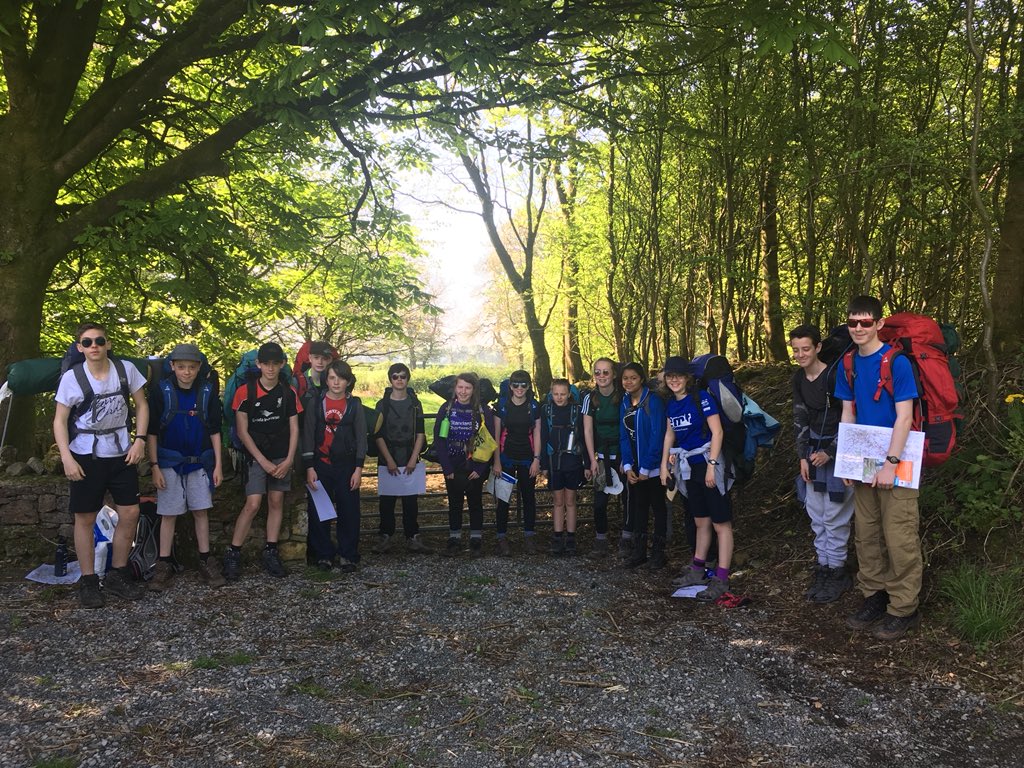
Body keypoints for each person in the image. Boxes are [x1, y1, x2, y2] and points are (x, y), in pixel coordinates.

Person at [835, 295, 923, 640]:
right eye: (852, 322)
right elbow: (848, 413)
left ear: (879, 324)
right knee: (867, 533)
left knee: (898, 534)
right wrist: (845, 459)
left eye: (865, 322)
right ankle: (874, 595)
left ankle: (904, 608)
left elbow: (904, 417)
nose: (858, 328)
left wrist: (890, 463)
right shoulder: (848, 363)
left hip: (897, 457)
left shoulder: (896, 362)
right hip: (862, 458)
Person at [53, 323, 150, 608]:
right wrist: (66, 457)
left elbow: (142, 405)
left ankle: (117, 574)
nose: (94, 345)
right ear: (80, 347)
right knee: (85, 517)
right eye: (87, 342)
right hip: (84, 455)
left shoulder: (125, 370)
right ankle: (88, 580)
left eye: (99, 340)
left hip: (121, 452)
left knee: (130, 513)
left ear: (107, 344)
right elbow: (59, 420)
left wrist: (140, 440)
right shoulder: (72, 378)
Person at [146, 343, 226, 590]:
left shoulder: (207, 391)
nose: (186, 372)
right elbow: (151, 432)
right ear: (172, 366)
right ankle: (163, 563)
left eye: (191, 367)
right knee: (168, 513)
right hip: (169, 461)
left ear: (199, 367)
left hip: (200, 461)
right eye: (181, 367)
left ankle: (205, 560)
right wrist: (154, 466)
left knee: (201, 510)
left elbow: (214, 429)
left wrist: (218, 465)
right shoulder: (161, 391)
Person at [222, 342, 302, 581]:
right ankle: (234, 552)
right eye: (266, 363)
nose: (270, 368)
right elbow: (242, 431)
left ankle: (271, 550)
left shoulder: (289, 392)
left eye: (275, 363)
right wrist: (262, 461)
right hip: (255, 454)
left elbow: (294, 428)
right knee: (254, 503)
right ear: (258, 364)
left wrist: (288, 459)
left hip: (281, 453)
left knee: (276, 500)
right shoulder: (245, 391)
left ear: (282, 364)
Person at [790, 325, 854, 603]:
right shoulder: (798, 379)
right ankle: (824, 567)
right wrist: (803, 455)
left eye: (806, 349)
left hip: (838, 451)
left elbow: (851, 417)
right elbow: (800, 417)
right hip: (813, 453)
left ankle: (838, 571)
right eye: (796, 350)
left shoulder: (835, 376)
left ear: (817, 347)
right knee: (817, 514)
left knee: (836, 515)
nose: (801, 354)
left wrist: (831, 451)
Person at [660, 356, 734, 598]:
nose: (674, 380)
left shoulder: (701, 398)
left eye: (678, 376)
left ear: (687, 378)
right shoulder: (671, 403)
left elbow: (717, 432)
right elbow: (670, 436)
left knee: (720, 522)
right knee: (700, 520)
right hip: (689, 466)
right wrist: (664, 465)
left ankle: (722, 577)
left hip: (707, 463)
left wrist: (712, 465)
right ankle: (698, 569)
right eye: (670, 376)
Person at [301, 360, 366, 572]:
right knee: (321, 510)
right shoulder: (316, 403)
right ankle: (324, 554)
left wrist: (358, 468)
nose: (336, 382)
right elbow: (308, 434)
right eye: (331, 378)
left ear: (348, 381)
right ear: (326, 380)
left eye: (340, 378)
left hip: (347, 466)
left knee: (349, 510)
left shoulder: (354, 405)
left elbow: (361, 437)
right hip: (321, 464)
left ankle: (348, 554)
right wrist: (309, 466)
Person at [371, 362, 432, 555]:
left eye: (402, 376)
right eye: (395, 376)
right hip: (387, 455)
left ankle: (412, 536)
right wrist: (388, 459)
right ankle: (385, 536)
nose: (399, 379)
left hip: (408, 454)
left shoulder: (415, 404)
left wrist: (414, 458)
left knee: (410, 501)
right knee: (386, 501)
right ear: (390, 379)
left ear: (408, 379)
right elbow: (377, 434)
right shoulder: (383, 404)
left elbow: (421, 432)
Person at [434, 372, 496, 557]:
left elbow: (489, 440)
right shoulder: (446, 408)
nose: (463, 391)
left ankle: (476, 540)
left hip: (474, 463)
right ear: (455, 388)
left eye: (467, 388)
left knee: (475, 502)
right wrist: (447, 468)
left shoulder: (482, 411)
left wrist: (480, 469)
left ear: (474, 390)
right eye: (460, 387)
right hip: (452, 463)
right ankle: (454, 539)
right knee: (454, 502)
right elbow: (439, 439)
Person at [619, 362, 667, 568]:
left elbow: (658, 434)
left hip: (654, 467)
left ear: (641, 379)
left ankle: (658, 554)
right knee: (639, 508)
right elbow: (624, 436)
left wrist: (647, 467)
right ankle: (639, 552)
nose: (628, 382)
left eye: (633, 378)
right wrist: (628, 466)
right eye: (625, 378)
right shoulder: (624, 402)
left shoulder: (653, 401)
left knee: (658, 508)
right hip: (635, 468)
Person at [491, 370, 542, 556]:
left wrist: (537, 459)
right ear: (510, 386)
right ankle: (501, 538)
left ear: (529, 386)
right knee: (503, 500)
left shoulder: (534, 406)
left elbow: (537, 433)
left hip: (528, 458)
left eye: (523, 385)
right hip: (506, 459)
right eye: (515, 385)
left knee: (529, 498)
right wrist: (496, 461)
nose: (519, 388)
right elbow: (496, 435)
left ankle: (529, 537)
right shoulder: (502, 406)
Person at [540, 378, 592, 556]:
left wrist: (586, 463)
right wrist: (543, 464)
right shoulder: (546, 410)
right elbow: (543, 436)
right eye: (556, 394)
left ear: (569, 394)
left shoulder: (576, 411)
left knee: (570, 501)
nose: (559, 397)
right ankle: (557, 537)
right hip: (554, 462)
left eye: (563, 394)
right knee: (558, 501)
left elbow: (584, 438)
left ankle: (571, 538)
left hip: (573, 462)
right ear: (551, 393)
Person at [297, 340, 337, 565]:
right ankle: (318, 549)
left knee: (324, 499)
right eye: (316, 357)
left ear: (330, 359)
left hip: (328, 448)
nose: (320, 361)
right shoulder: (298, 382)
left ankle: (323, 547)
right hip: (305, 444)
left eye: (325, 358)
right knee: (315, 498)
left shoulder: (333, 380)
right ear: (309, 358)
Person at [583, 358, 627, 558]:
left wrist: (627, 458)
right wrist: (592, 460)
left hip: (622, 455)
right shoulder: (590, 398)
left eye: (605, 372)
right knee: (599, 503)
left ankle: (628, 539)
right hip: (601, 457)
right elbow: (587, 430)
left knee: (628, 499)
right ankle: (601, 539)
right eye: (597, 372)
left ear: (614, 374)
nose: (601, 376)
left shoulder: (624, 396)